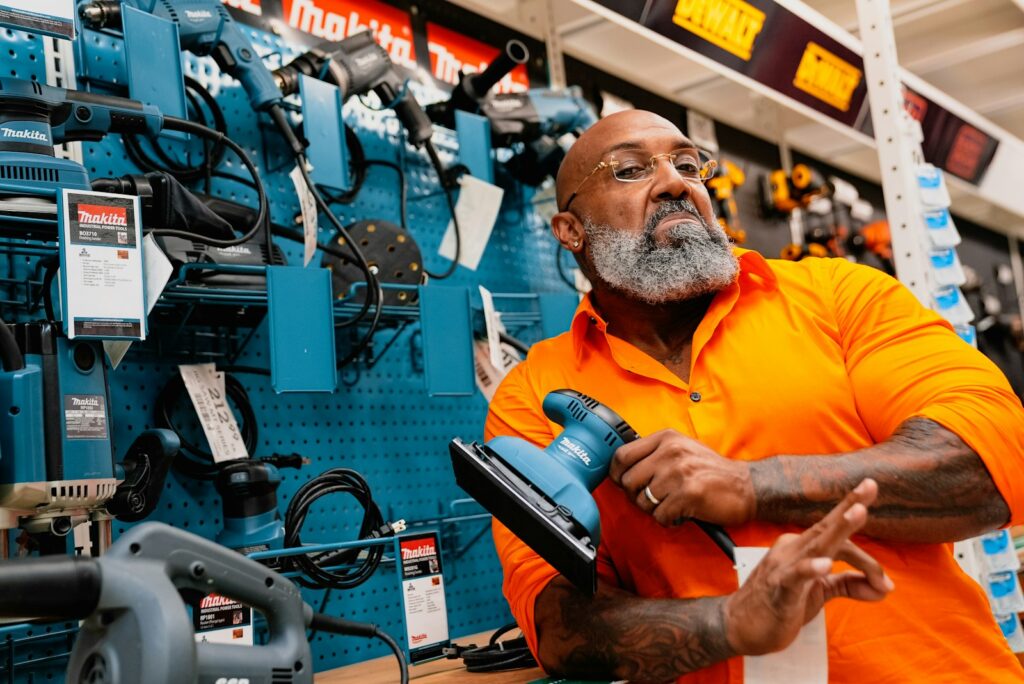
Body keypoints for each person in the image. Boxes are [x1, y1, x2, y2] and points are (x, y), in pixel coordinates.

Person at [484, 109, 1024, 683]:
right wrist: (732, 623)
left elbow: (991, 462)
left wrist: (753, 485)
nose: (675, 183)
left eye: (688, 164)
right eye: (629, 170)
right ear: (570, 231)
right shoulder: (534, 393)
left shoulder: (840, 296)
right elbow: (557, 622)